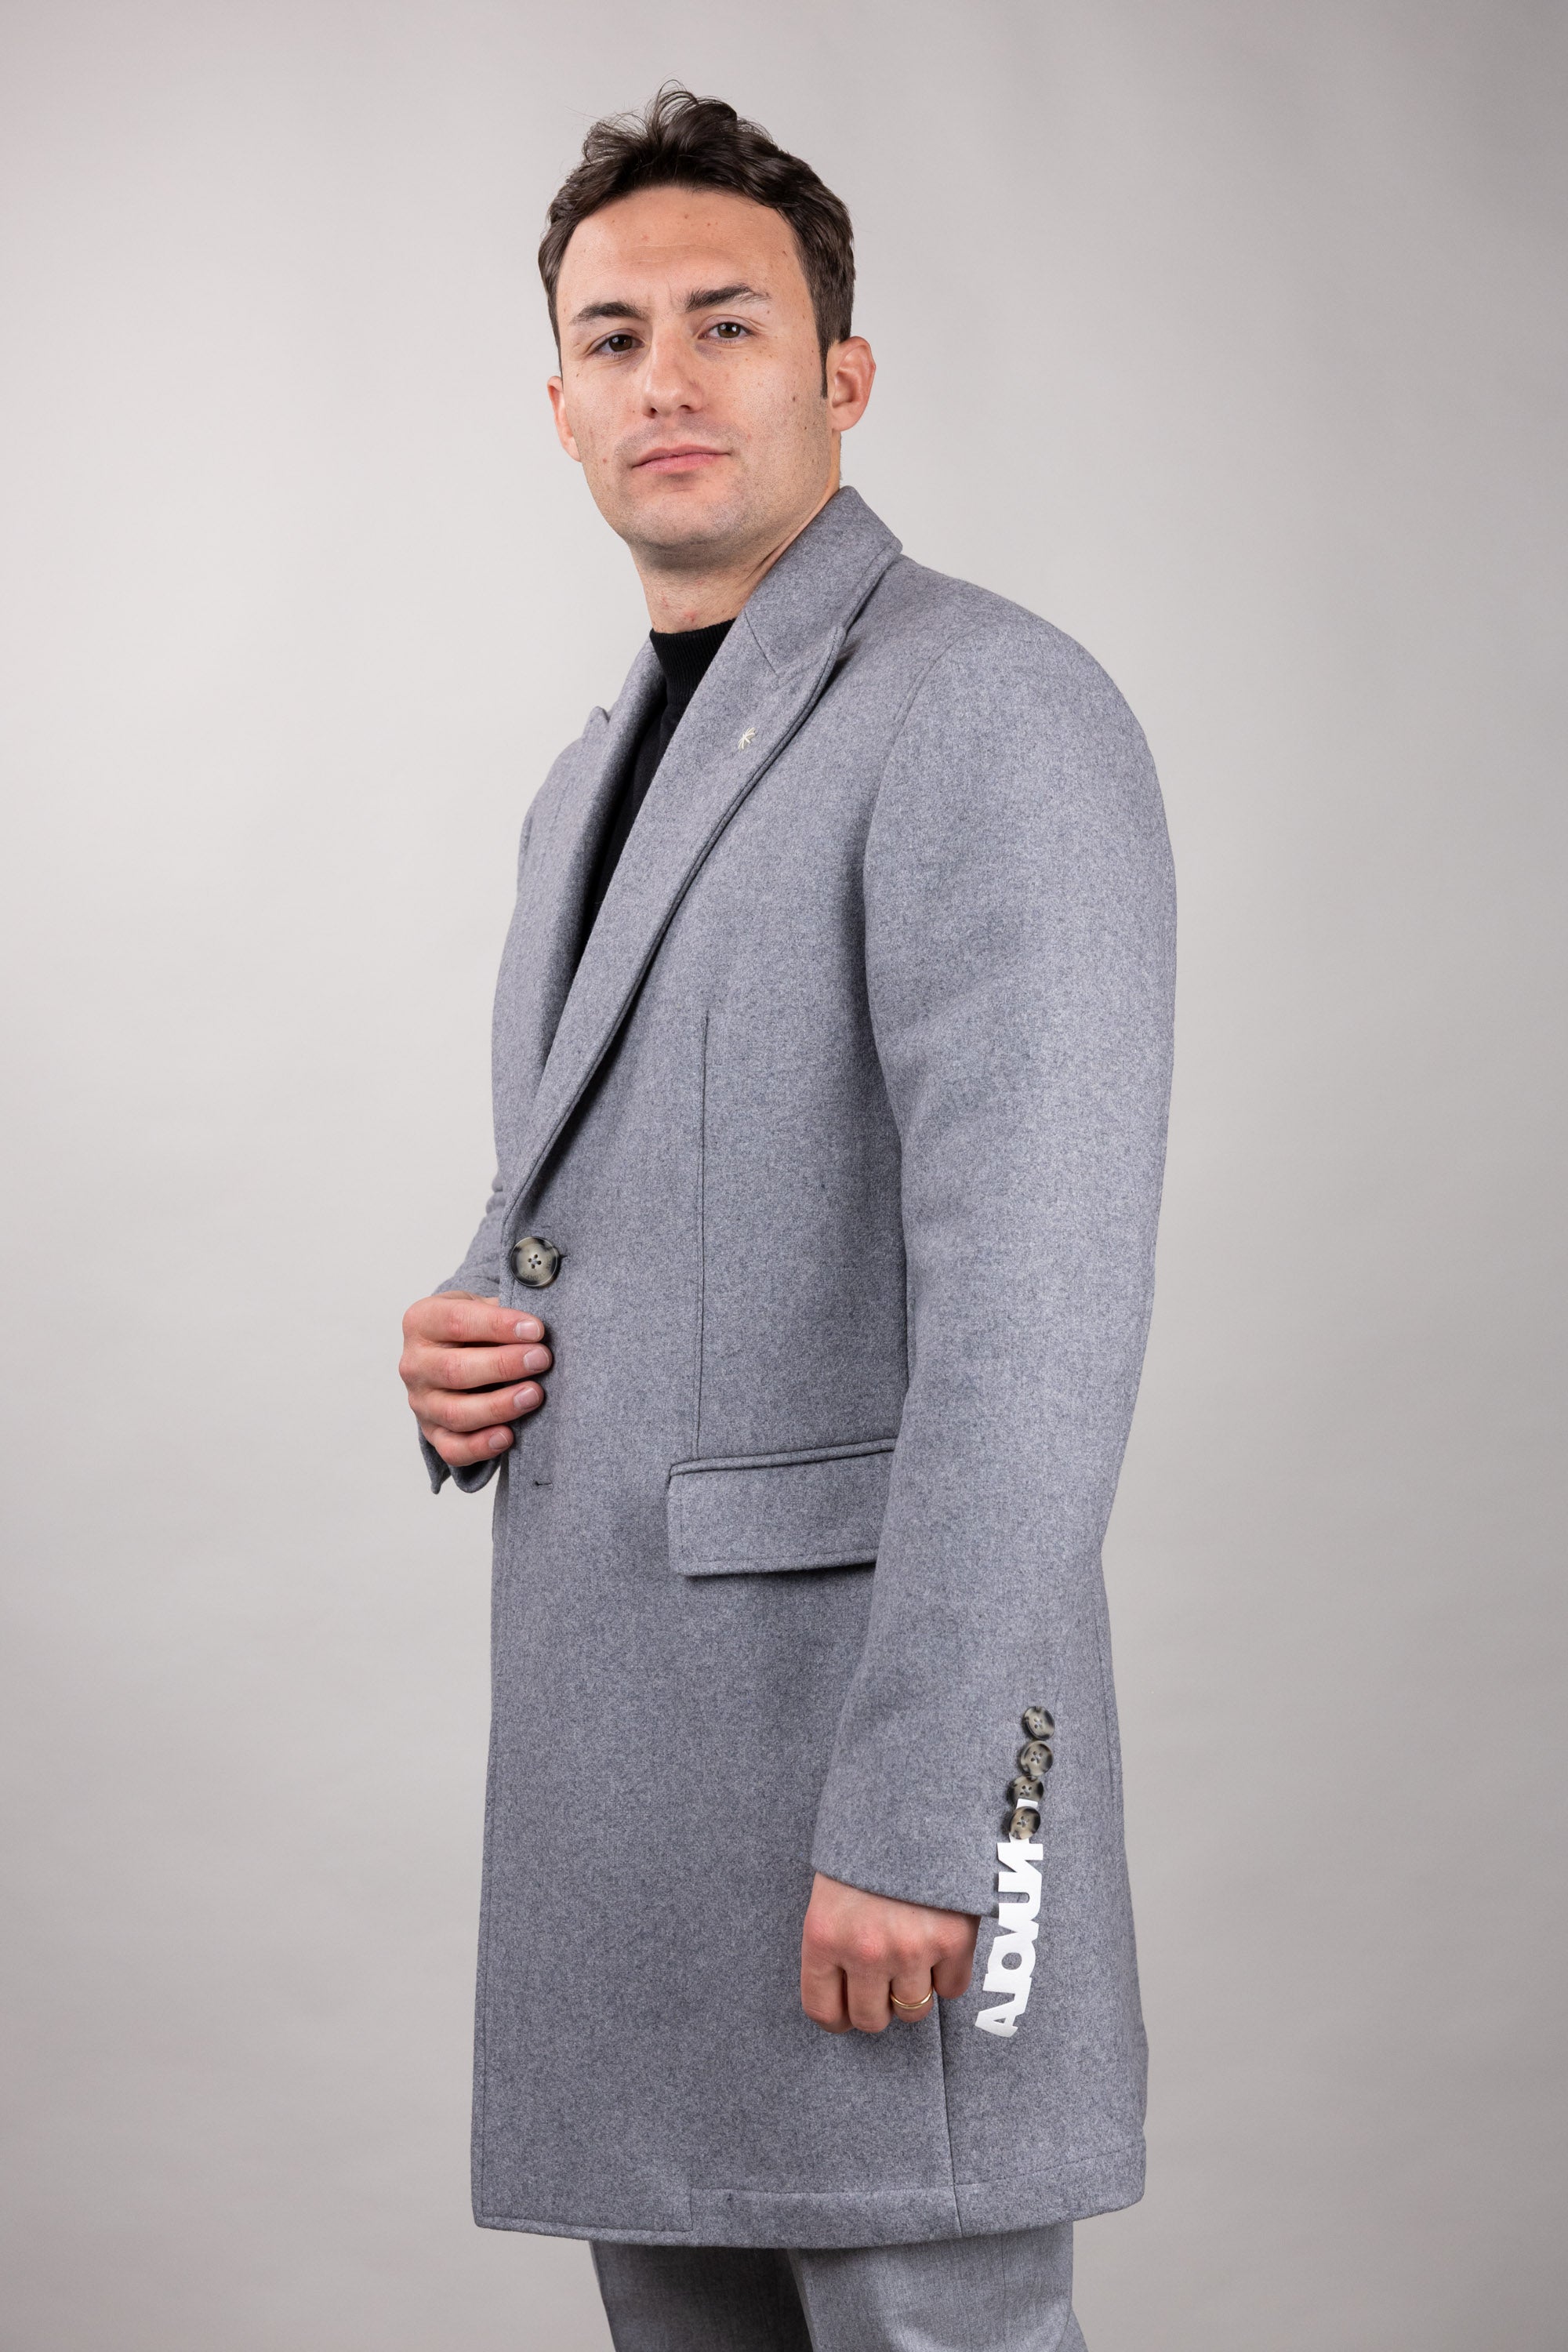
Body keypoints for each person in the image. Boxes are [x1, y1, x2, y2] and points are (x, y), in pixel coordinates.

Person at [397, 85, 1174, 2352]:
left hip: (866, 1796)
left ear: (843, 371)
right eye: (614, 335)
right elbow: (633, 1216)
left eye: (726, 323)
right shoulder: (583, 787)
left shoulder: (988, 709)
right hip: (633, 1819)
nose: (668, 376)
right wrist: (472, 1336)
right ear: (558, 403)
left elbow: (1040, 1315)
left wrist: (931, 1812)